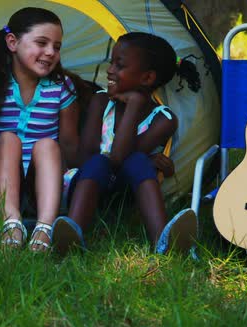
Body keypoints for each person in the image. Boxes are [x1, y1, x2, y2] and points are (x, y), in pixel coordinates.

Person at [52, 32, 201, 255]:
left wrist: (134, 105)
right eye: (111, 62)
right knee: (100, 163)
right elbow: (86, 158)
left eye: (119, 65)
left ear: (147, 78)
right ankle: (72, 237)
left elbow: (122, 159)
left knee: (137, 161)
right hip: (85, 185)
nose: (110, 70)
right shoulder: (100, 101)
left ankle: (163, 242)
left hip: (124, 195)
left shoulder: (164, 119)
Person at [0, 7, 81, 252]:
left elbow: (69, 145)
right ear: (12, 42)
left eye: (57, 46)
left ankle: (45, 227)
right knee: (7, 139)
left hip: (41, 184)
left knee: (48, 144)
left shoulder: (61, 86)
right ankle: (11, 223)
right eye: (42, 43)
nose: (51, 52)